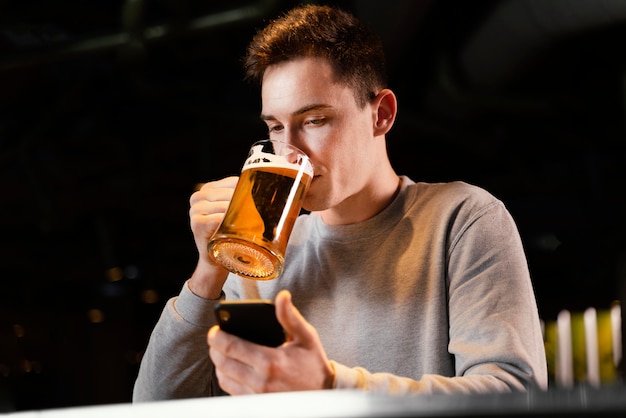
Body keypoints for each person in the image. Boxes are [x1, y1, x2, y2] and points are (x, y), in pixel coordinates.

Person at [133, 3, 547, 400]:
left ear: (381, 114)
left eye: (314, 120)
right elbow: (156, 408)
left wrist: (328, 386)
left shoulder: (462, 219)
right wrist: (209, 270)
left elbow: (513, 396)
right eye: (276, 127)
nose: (290, 151)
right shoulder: (259, 253)